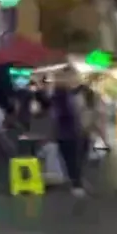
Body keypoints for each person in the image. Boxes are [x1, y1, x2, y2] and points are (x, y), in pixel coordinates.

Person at [48, 68, 89, 196]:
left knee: (73, 157)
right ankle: (76, 183)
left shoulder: (64, 94)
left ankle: (76, 181)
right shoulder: (61, 95)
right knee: (72, 158)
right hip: (68, 130)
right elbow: (62, 113)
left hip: (69, 130)